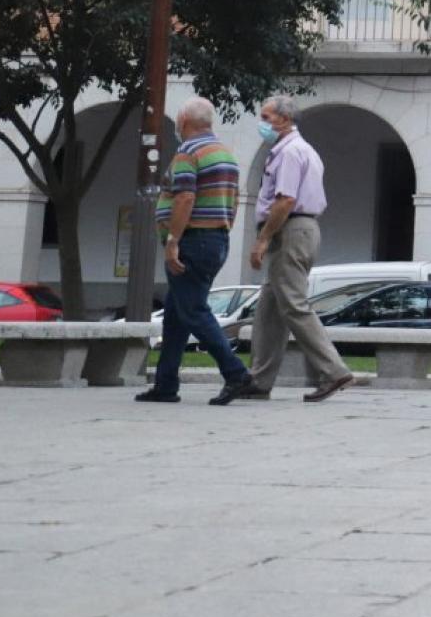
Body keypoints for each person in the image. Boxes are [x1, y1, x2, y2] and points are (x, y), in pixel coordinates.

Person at [223, 95, 354, 404]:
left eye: (266, 117)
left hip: (290, 229)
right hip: (298, 229)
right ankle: (259, 379)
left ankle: (334, 371)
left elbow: (285, 200)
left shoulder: (291, 153)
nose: (262, 123)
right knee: (269, 310)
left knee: (293, 304)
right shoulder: (296, 150)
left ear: (283, 120)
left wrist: (264, 238)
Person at [136, 97, 257, 404]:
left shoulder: (189, 152)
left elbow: (184, 198)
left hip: (192, 240)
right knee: (176, 314)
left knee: (193, 310)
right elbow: (231, 202)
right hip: (215, 239)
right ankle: (165, 384)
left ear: (184, 121)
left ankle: (236, 374)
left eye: (177, 121)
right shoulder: (225, 155)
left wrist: (174, 240)